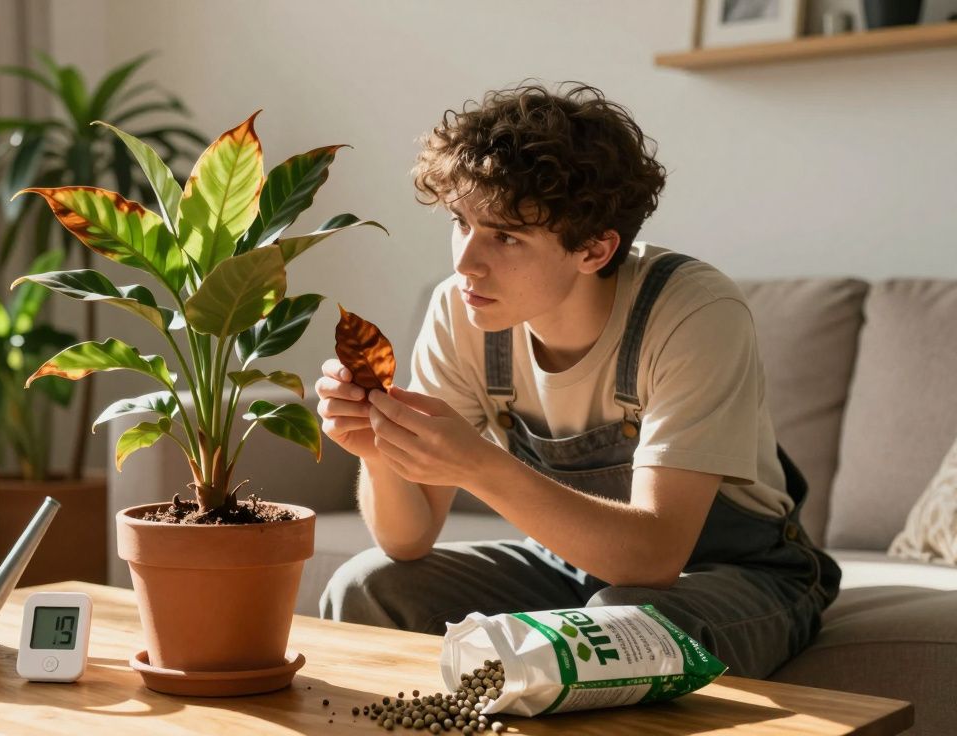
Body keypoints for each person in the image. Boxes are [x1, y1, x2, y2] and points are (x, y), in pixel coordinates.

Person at [315, 81, 840, 678]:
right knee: (369, 585)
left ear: (594, 249)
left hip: (737, 574)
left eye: (505, 236)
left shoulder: (694, 311)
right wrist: (379, 450)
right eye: (461, 222)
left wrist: (478, 465)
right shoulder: (461, 308)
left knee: (622, 627)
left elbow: (654, 557)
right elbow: (406, 543)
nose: (464, 262)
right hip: (569, 564)